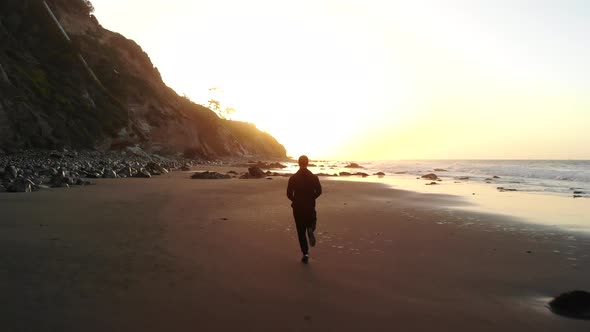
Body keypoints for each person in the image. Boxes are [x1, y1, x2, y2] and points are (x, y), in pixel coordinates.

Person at [286, 155, 322, 264]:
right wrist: (312, 198)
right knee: (312, 221)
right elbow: (319, 191)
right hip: (309, 206)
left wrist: (295, 200)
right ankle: (311, 228)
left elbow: (288, 194)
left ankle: (305, 254)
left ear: (298, 163)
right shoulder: (314, 177)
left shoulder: (293, 178)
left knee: (301, 232)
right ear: (307, 163)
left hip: (297, 208)